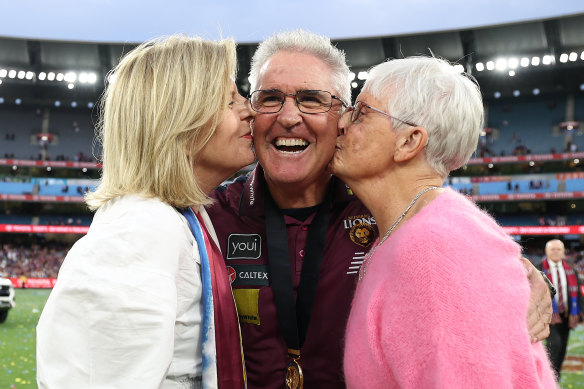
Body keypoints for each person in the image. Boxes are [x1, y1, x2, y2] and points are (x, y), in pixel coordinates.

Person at [208, 30, 553, 389]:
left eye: (311, 99)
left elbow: (455, 260)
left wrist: (524, 279)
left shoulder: (393, 219)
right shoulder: (210, 218)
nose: (289, 117)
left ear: (340, 112)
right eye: (270, 98)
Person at [36, 35, 255, 389]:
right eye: (230, 101)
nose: (249, 109)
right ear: (181, 121)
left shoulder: (180, 216)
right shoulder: (140, 229)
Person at [331, 56, 556, 387]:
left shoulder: (435, 244)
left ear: (409, 142)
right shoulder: (413, 232)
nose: (342, 122)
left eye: (362, 112)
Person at [538, 239, 583, 378]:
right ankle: (547, 377)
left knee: (562, 348)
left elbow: (577, 296)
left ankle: (555, 379)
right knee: (554, 345)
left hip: (566, 317)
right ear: (546, 251)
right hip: (548, 316)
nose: (556, 251)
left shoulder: (571, 270)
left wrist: (581, 312)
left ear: (563, 252)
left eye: (559, 249)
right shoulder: (538, 269)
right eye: (553, 249)